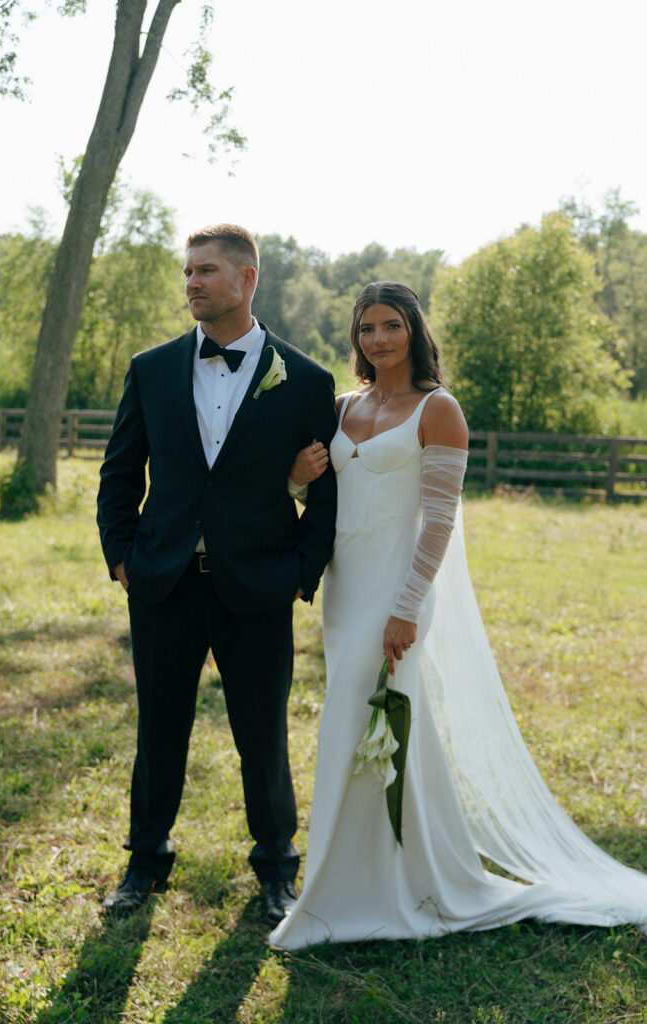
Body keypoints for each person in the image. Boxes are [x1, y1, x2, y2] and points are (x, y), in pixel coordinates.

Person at [270, 281, 647, 949]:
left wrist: (406, 607)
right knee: (360, 727)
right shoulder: (341, 405)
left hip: (395, 590)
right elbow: (313, 496)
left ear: (413, 331)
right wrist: (298, 475)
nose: (378, 339)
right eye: (365, 328)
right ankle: (374, 875)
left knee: (364, 723)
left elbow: (438, 520)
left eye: (390, 325)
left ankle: (372, 889)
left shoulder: (437, 410)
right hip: (343, 586)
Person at [96, 224, 337, 923]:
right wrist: (123, 559)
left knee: (262, 733)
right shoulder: (151, 368)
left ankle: (275, 869)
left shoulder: (307, 380)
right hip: (164, 582)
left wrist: (300, 572)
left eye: (205, 271)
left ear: (245, 278)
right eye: (187, 272)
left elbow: (324, 494)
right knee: (158, 728)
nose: (192, 283)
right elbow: (119, 472)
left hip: (258, 588)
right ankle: (145, 860)